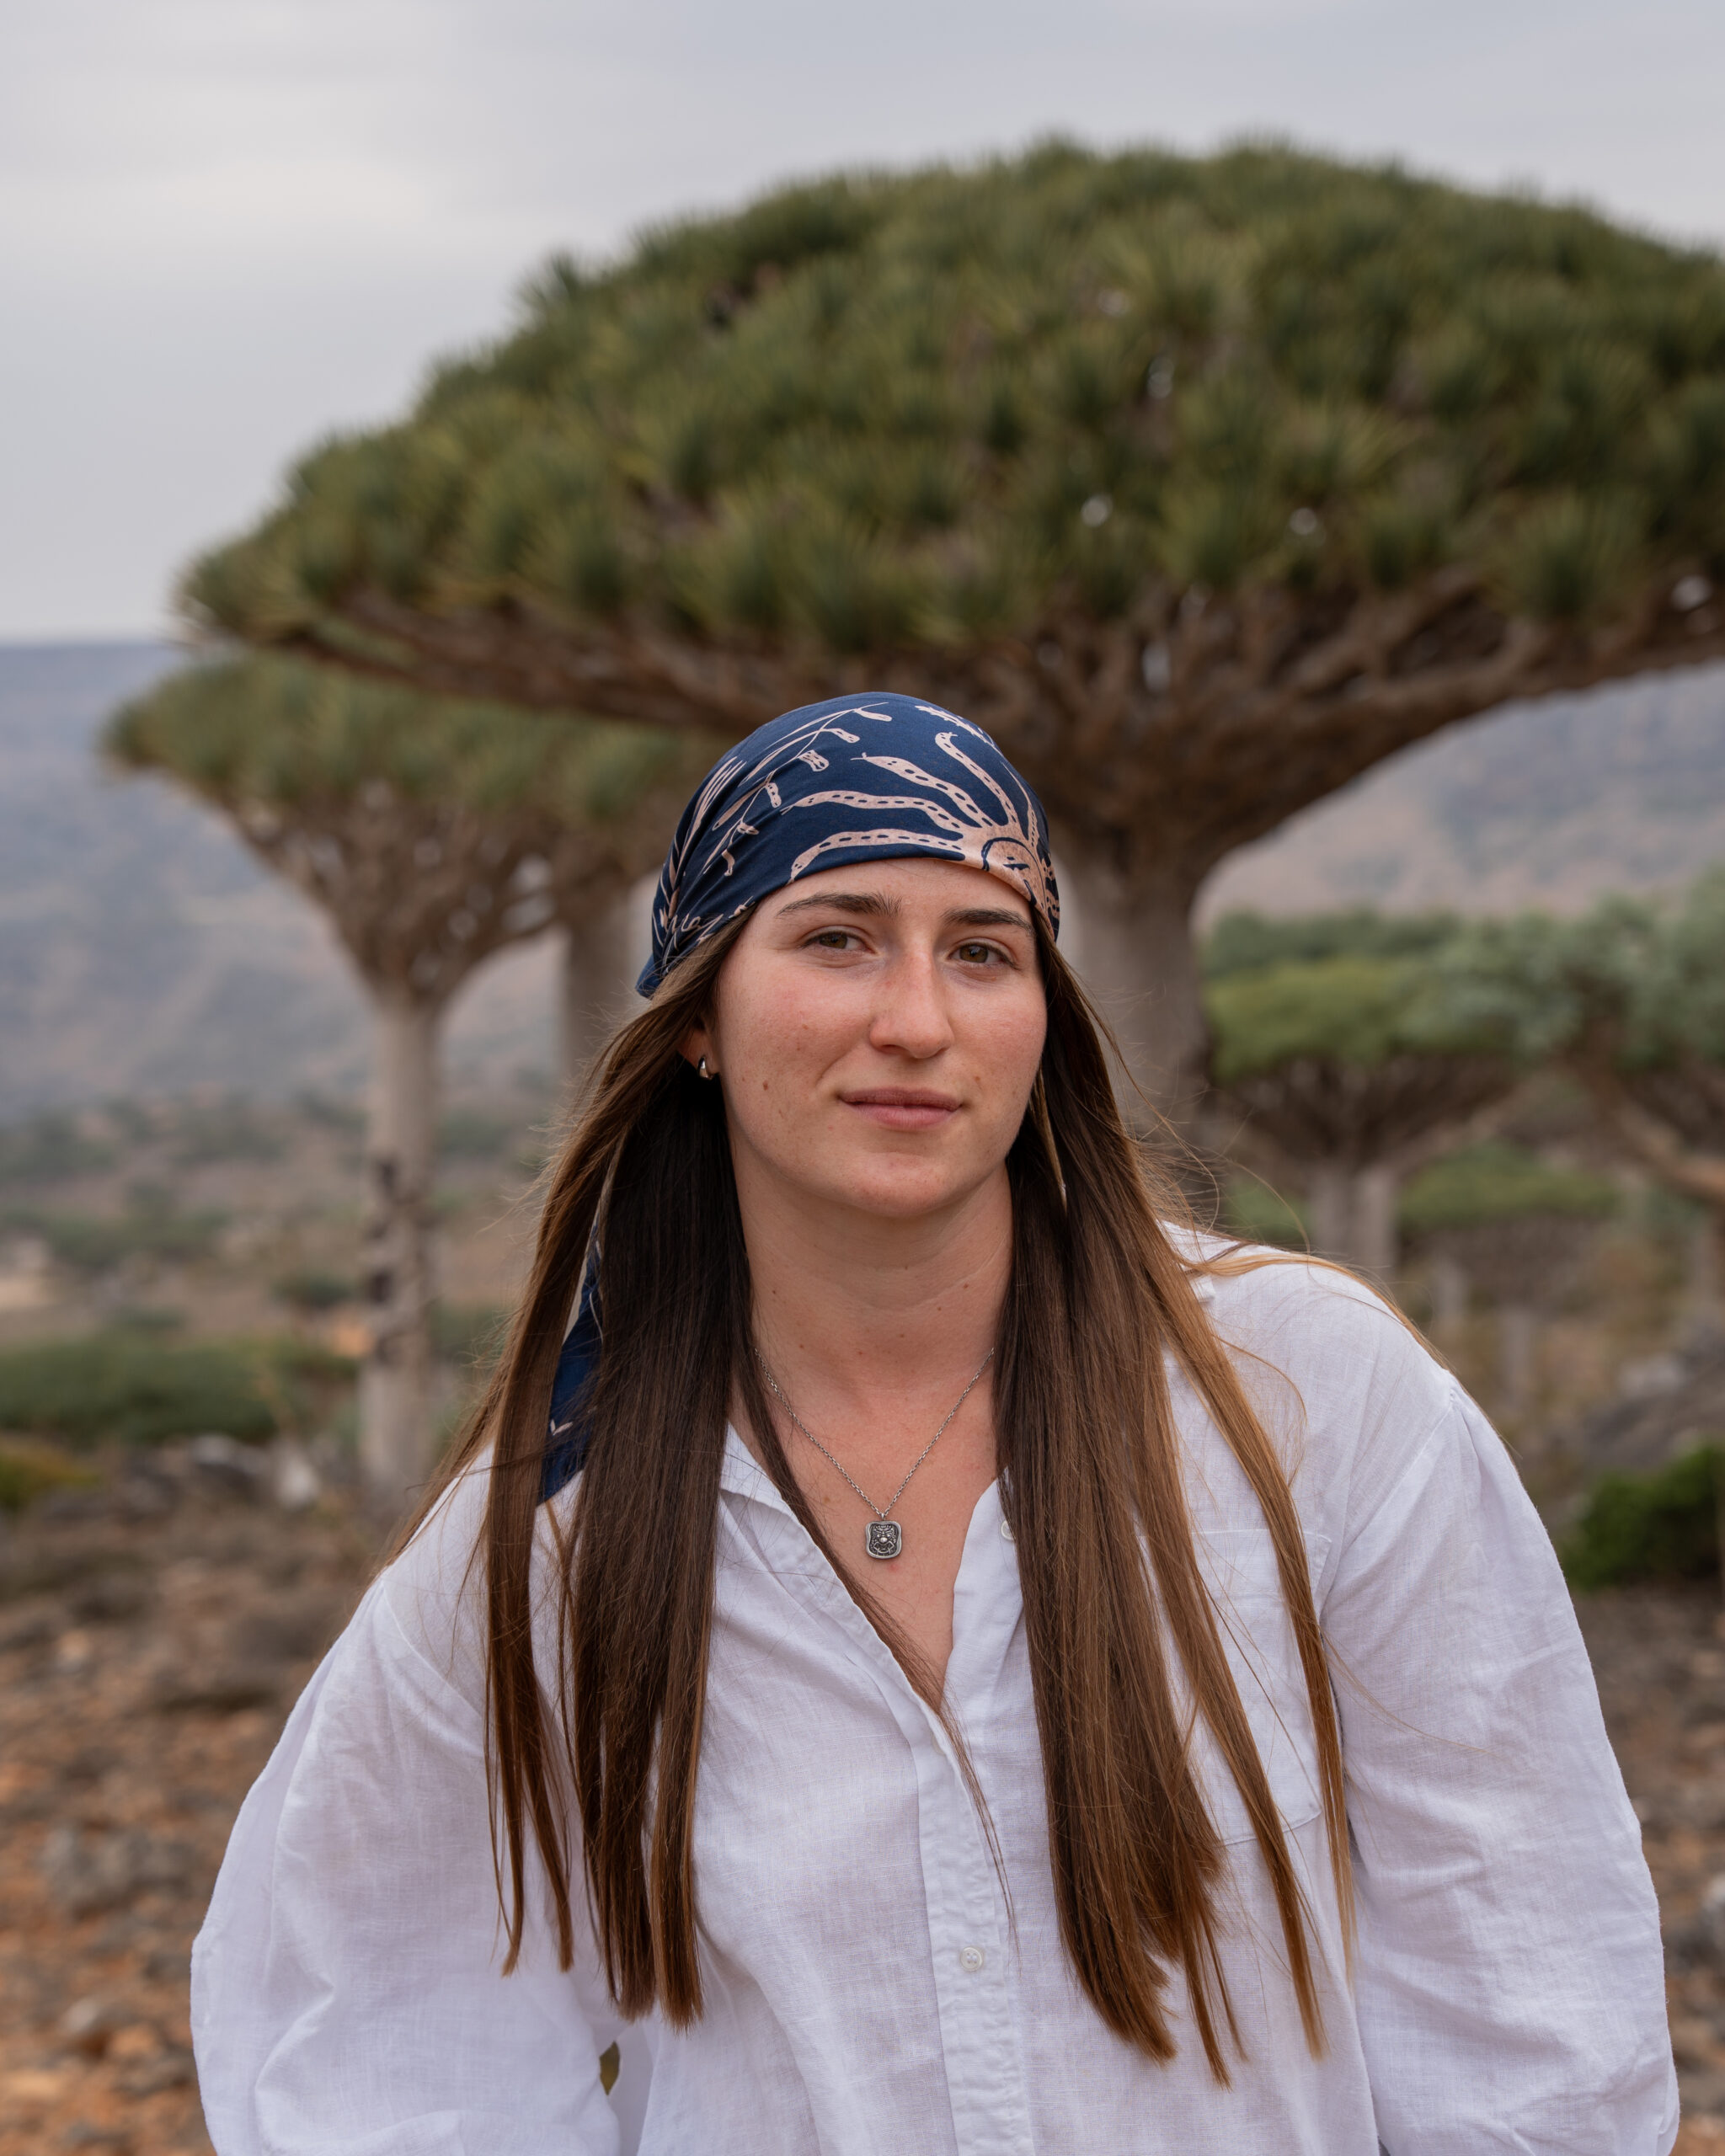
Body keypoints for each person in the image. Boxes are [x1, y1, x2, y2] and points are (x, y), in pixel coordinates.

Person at [192, 693, 1674, 2155]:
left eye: (982, 951)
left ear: (1041, 1020)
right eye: (837, 938)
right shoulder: (558, 1527)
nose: (916, 1021)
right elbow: (376, 2048)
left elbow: (1529, 2006)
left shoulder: (1310, 1397)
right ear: (699, 1014)